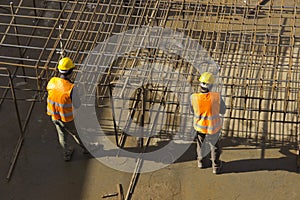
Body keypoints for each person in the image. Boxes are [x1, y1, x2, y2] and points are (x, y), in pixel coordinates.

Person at [46, 57, 86, 161]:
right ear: (71, 71)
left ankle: (66, 154)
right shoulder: (71, 88)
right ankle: (87, 149)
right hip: (66, 118)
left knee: (61, 135)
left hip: (54, 116)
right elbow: (77, 104)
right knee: (77, 134)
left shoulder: (52, 82)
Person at [190, 72, 226, 174]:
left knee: (200, 145)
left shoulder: (193, 97)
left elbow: (192, 111)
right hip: (213, 127)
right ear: (211, 85)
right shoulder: (216, 97)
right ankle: (216, 167)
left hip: (199, 127)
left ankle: (201, 162)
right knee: (214, 146)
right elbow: (223, 110)